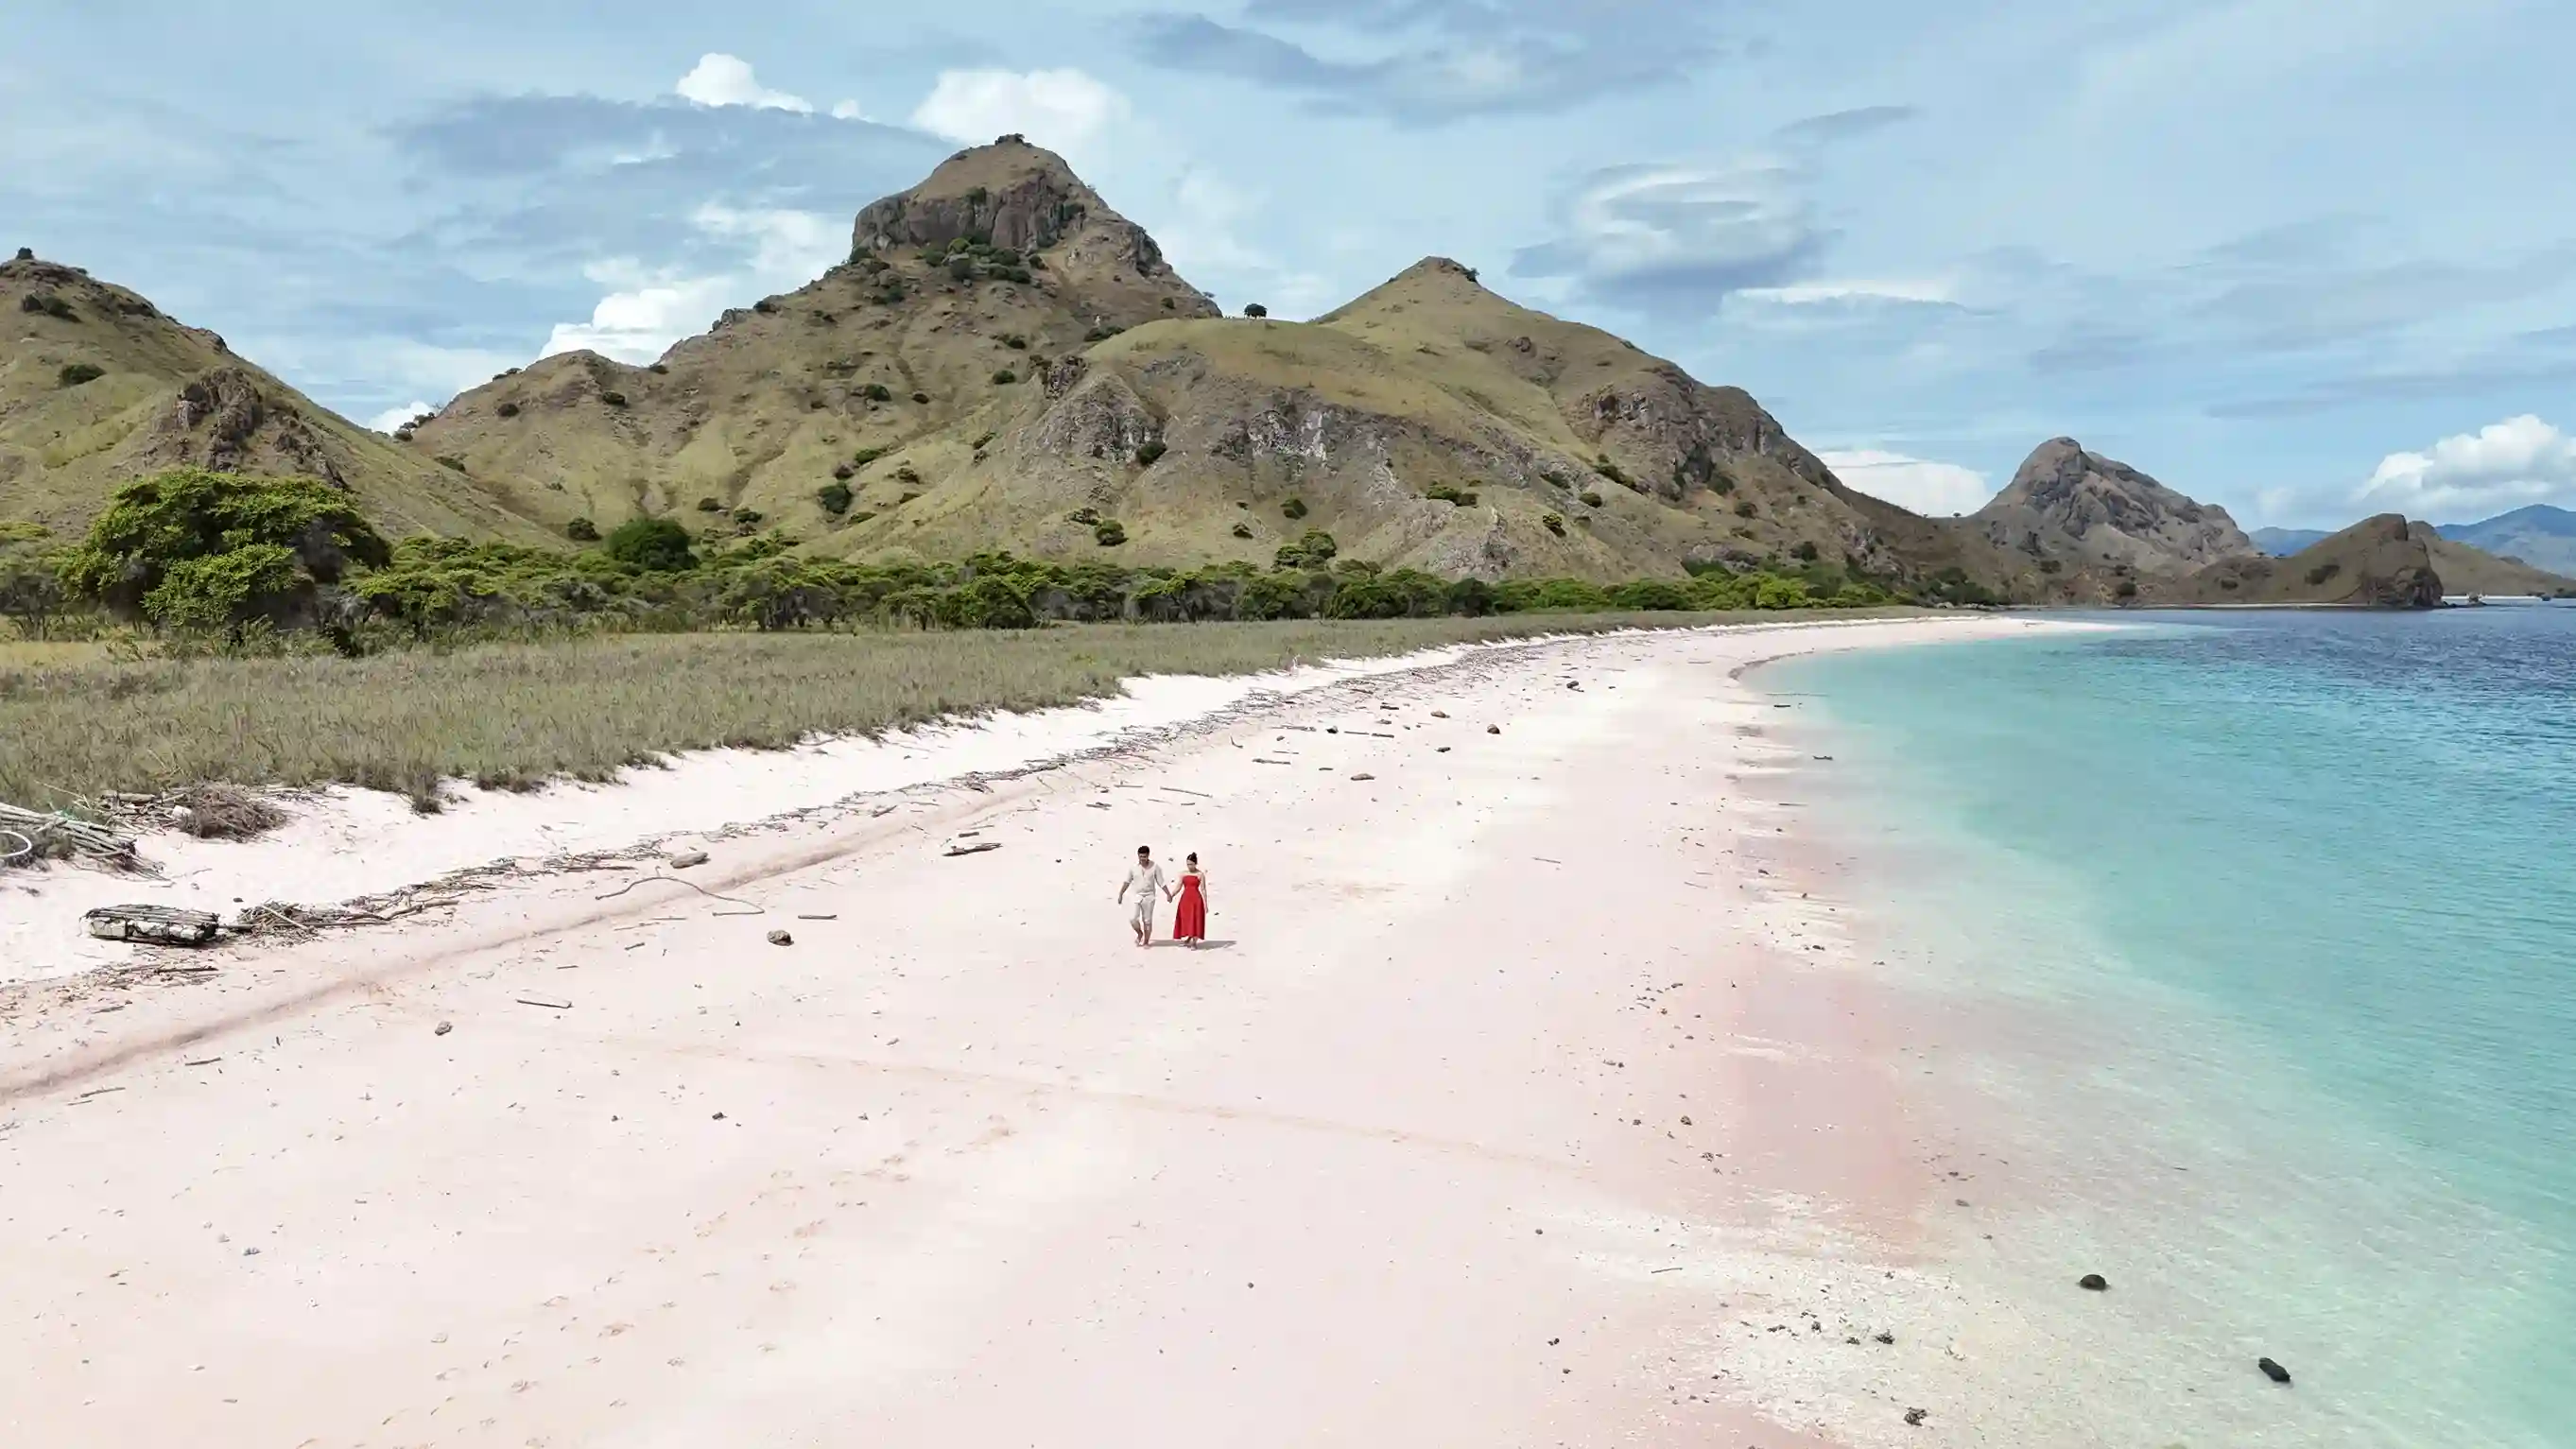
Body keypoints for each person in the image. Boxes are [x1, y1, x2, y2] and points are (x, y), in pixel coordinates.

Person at [1117, 845, 1165, 948]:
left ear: (1148, 855)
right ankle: (1140, 933)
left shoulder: (1155, 867)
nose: (1142, 859)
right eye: (1140, 856)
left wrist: (1168, 894)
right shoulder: (1133, 868)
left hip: (1149, 896)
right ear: (1138, 856)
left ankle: (1146, 942)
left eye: (1144, 856)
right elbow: (1127, 881)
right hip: (1137, 895)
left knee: (1147, 920)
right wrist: (1121, 893)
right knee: (1133, 918)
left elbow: (1161, 882)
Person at [1169, 852, 1209, 947]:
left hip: (1196, 900)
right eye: (1188, 864)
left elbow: (1203, 890)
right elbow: (1178, 887)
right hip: (1185, 899)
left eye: (1191, 864)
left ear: (1195, 863)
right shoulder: (1183, 873)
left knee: (1196, 919)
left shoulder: (1200, 874)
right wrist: (1172, 895)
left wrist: (1205, 904)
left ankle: (1194, 942)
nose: (1189, 866)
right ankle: (1189, 937)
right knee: (1187, 919)